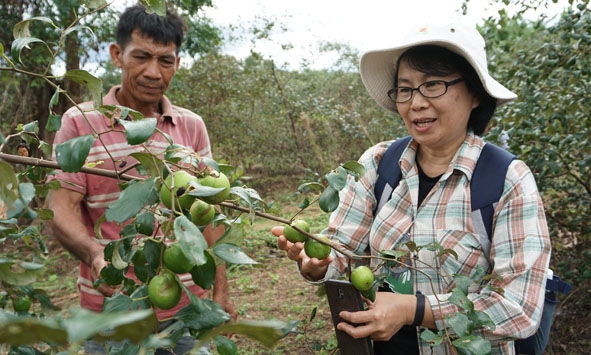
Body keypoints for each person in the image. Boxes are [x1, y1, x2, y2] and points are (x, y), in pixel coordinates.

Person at [272, 21, 551, 354]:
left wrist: (413, 309)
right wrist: (318, 263)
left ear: (475, 93)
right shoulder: (378, 163)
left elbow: (519, 308)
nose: (415, 103)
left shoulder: (507, 180)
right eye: (405, 89)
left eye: (432, 85)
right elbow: (343, 253)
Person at [47, 5, 237, 354]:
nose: (154, 72)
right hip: (114, 309)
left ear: (178, 63)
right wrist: (94, 254)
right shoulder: (81, 123)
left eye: (166, 61)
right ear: (117, 55)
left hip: (187, 310)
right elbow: (60, 207)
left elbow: (209, 213)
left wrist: (219, 288)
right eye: (142, 57)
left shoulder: (190, 126)